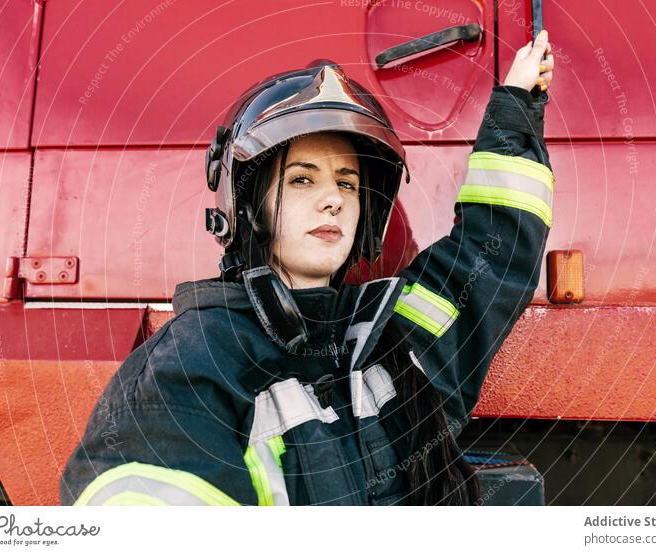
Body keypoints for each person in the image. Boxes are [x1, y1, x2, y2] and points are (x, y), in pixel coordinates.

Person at [60, 31, 555, 506]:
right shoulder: (192, 369)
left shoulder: (394, 345)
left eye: (347, 183)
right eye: (301, 180)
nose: (332, 200)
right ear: (248, 207)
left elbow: (492, 254)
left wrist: (516, 108)